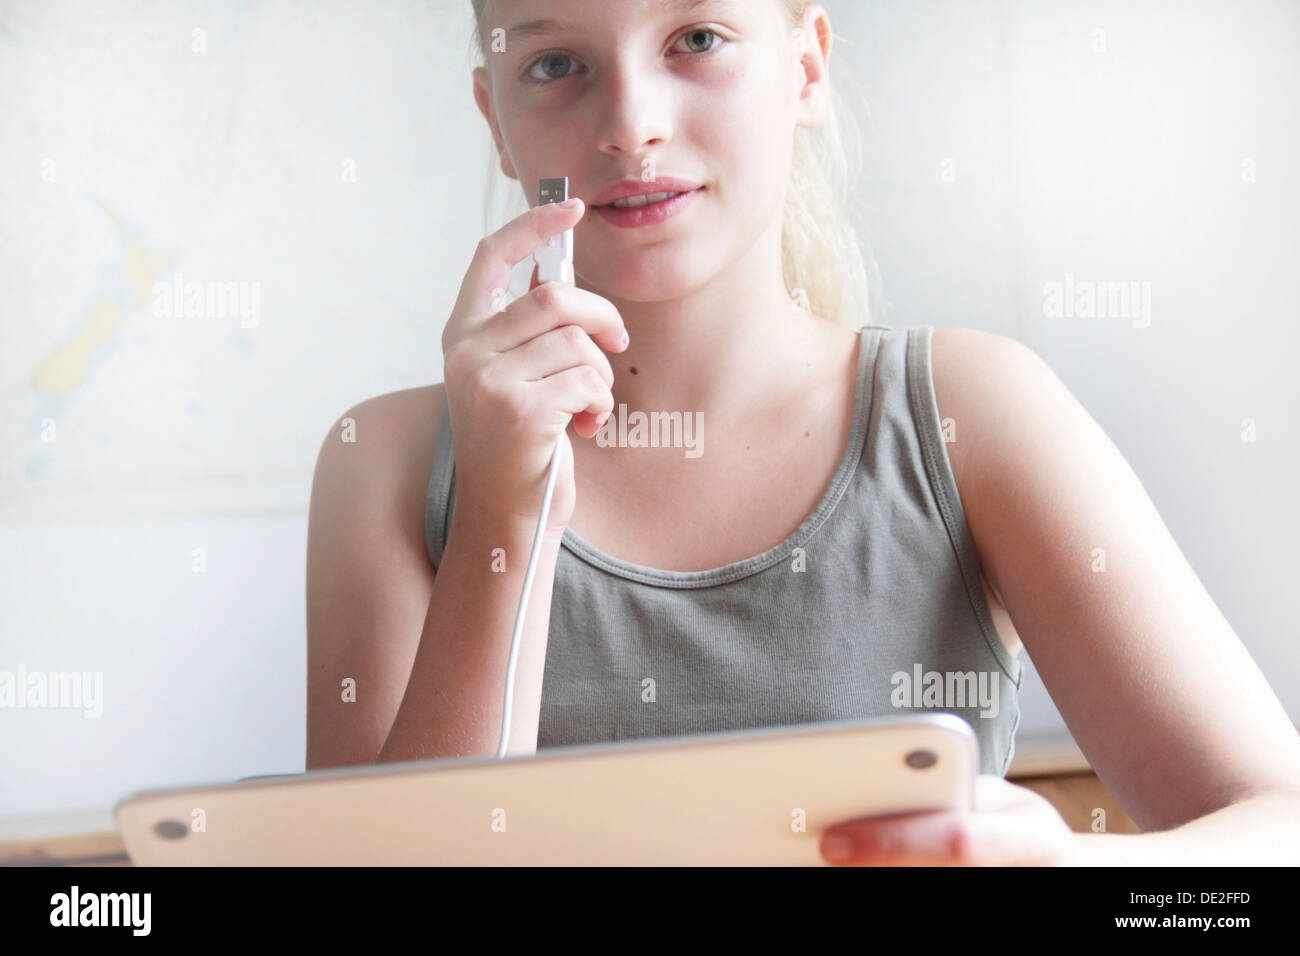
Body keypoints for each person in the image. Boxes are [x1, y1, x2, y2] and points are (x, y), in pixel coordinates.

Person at [305, 0, 1300, 865]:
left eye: (696, 36)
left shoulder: (971, 413)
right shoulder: (386, 463)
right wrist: (502, 519)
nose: (630, 125)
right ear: (496, 118)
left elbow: (1277, 824)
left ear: (806, 68)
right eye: (554, 64)